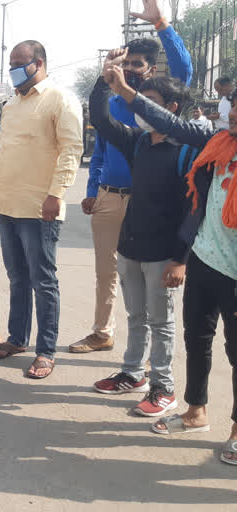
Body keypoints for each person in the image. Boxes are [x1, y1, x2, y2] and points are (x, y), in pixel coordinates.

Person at [114, 62, 237, 466]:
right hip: (204, 260)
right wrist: (126, 92)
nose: (232, 113)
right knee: (197, 341)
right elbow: (170, 120)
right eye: (232, 105)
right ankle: (196, 409)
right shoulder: (217, 142)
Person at [73, 0, 192, 354]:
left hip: (149, 203)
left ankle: (154, 358)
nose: (129, 70)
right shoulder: (111, 104)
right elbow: (101, 151)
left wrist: (162, 26)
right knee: (107, 273)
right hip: (110, 198)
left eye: (135, 65)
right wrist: (94, 189)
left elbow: (184, 68)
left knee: (151, 281)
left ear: (150, 69)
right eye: (124, 65)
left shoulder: (157, 104)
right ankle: (102, 331)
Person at [0, 40, 83, 379]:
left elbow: (71, 151)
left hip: (40, 208)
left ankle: (46, 351)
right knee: (18, 278)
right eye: (11, 63)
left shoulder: (60, 100)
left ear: (40, 63)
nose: (14, 69)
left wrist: (56, 194)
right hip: (8, 205)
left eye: (20, 63)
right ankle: (17, 339)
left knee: (43, 281)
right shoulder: (12, 105)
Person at [90, 51, 196, 417]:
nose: (145, 111)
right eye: (143, 102)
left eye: (153, 104)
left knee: (161, 321)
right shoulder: (138, 142)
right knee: (135, 315)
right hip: (131, 243)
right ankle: (133, 373)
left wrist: (180, 258)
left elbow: (191, 210)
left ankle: (163, 387)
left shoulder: (187, 151)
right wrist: (102, 84)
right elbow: (101, 121)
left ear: (173, 107)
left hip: (163, 252)